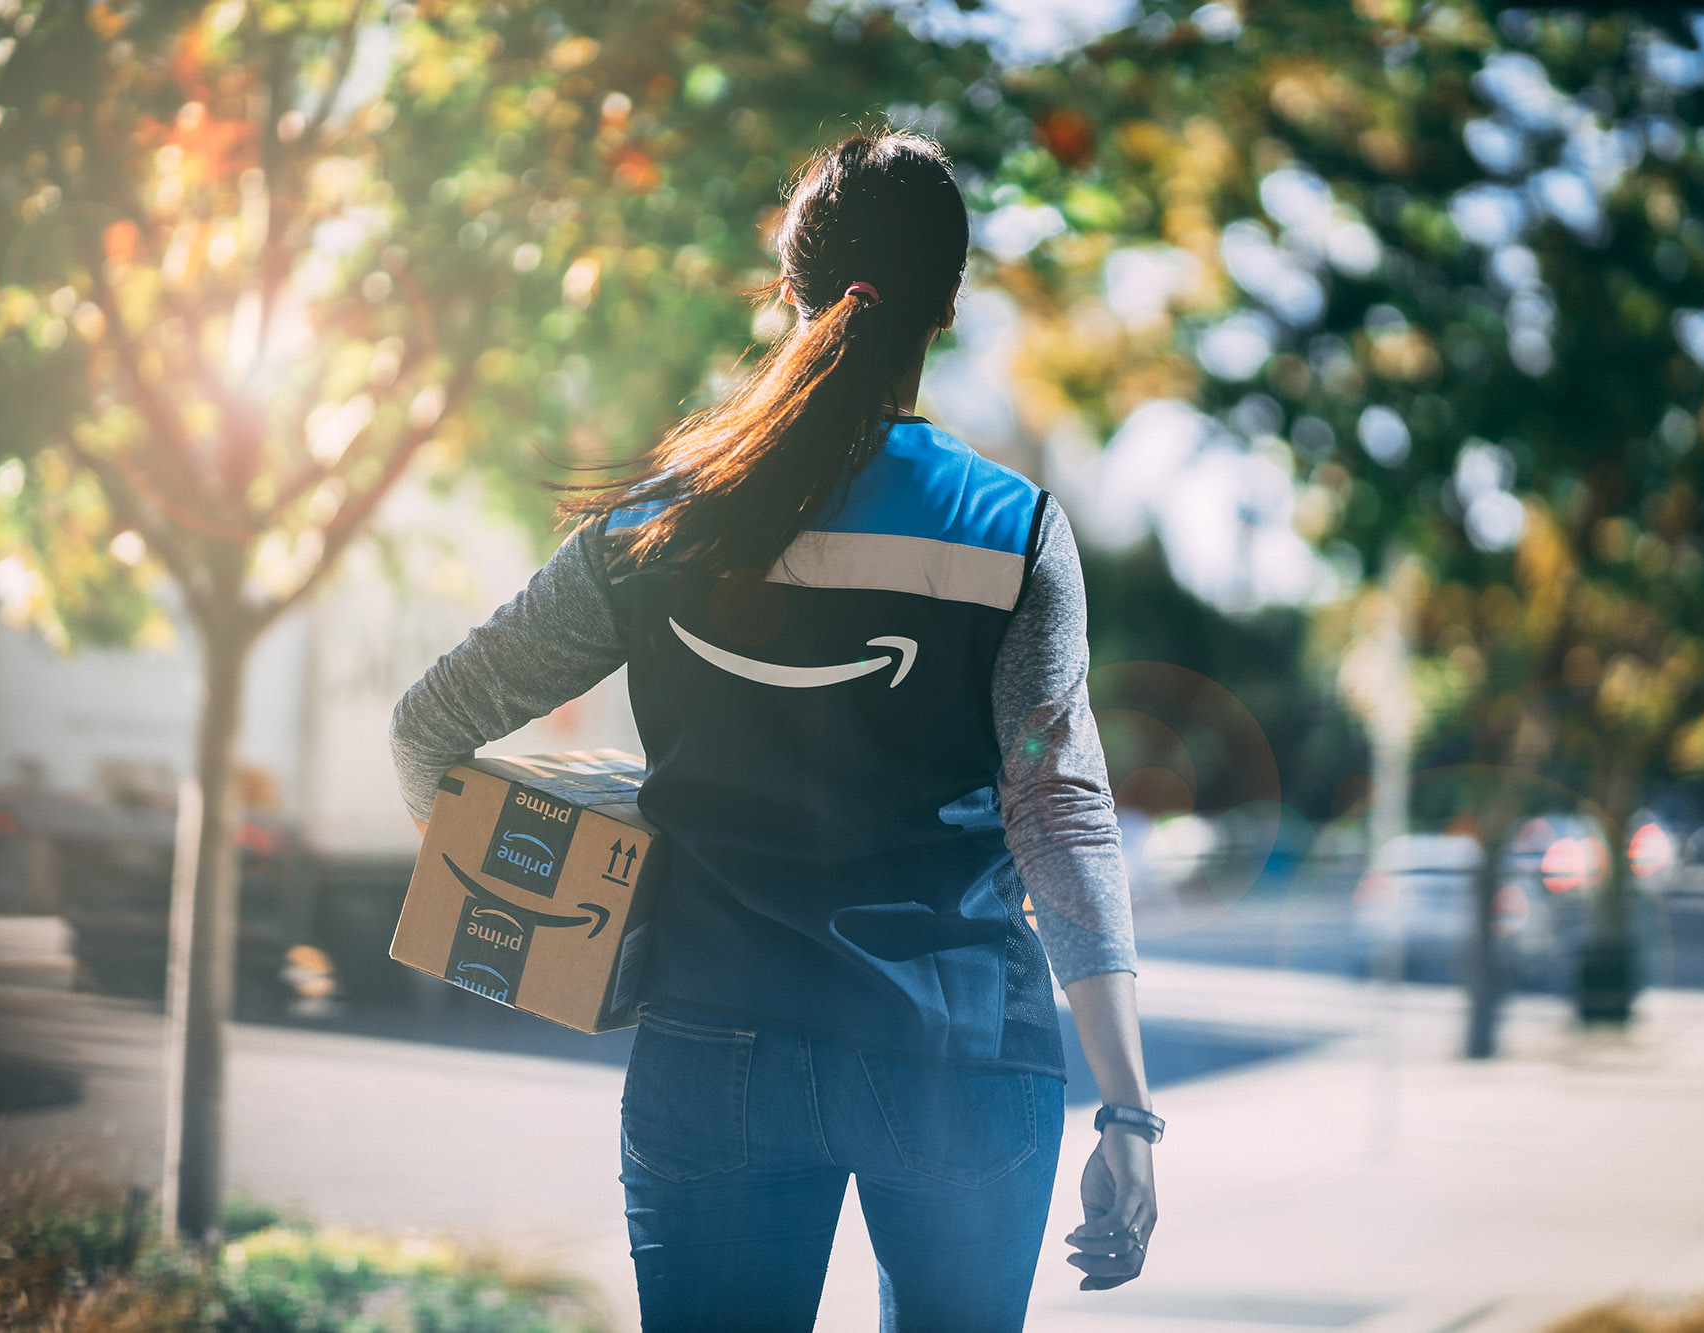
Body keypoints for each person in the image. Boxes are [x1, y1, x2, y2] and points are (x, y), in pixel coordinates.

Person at [390, 129, 1157, 1332]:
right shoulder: (1011, 531)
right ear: (947, 307)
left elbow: (429, 732)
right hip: (958, 1056)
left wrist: (556, 915)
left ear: (787, 289)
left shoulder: (655, 529)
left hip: (714, 1046)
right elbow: (1058, 814)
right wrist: (1126, 1111)